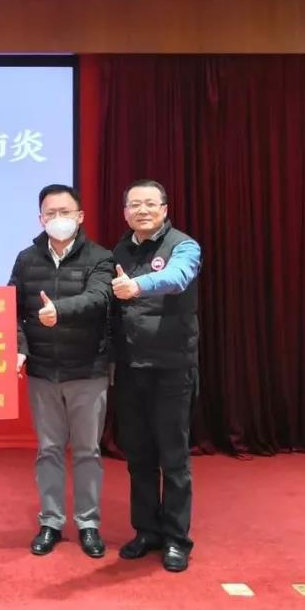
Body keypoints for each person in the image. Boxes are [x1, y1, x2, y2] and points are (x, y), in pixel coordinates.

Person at [8, 184, 115, 558]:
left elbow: (99, 298)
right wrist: (20, 348)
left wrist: (60, 311)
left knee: (87, 451)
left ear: (80, 216)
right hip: (43, 370)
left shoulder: (100, 257)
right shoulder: (26, 259)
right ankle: (51, 521)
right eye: (50, 213)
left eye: (65, 212)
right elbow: (11, 308)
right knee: (49, 450)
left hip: (87, 370)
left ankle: (88, 523)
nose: (58, 219)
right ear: (40, 219)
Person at [111, 179, 202, 573]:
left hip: (172, 368)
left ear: (164, 209)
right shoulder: (119, 250)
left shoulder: (184, 246)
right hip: (131, 368)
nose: (142, 210)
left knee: (174, 458)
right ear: (125, 212)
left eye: (150, 203)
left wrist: (137, 285)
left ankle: (177, 539)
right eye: (135, 204)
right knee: (138, 456)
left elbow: (178, 278)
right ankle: (146, 530)